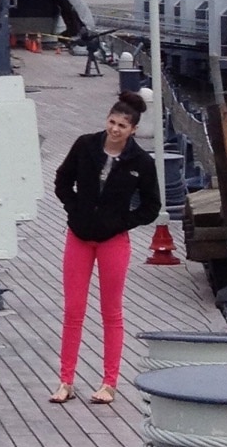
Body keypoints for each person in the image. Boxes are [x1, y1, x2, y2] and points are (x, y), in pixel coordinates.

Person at [49, 91, 161, 405]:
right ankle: (65, 381)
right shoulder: (85, 145)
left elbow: (152, 206)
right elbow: (62, 180)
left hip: (114, 242)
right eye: (112, 122)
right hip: (79, 238)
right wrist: (75, 209)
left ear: (133, 130)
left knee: (111, 313)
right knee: (73, 311)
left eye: (122, 126)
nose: (114, 129)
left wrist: (121, 222)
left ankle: (109, 383)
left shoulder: (141, 162)